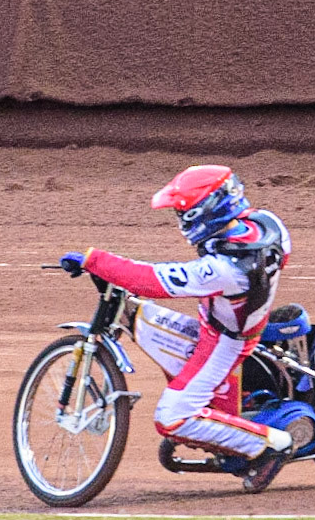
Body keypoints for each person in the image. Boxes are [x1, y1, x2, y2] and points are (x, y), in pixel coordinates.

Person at [59, 164, 295, 493]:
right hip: (220, 323)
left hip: (226, 341)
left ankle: (271, 445)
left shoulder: (225, 269)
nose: (182, 221)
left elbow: (153, 281)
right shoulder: (266, 224)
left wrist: (93, 259)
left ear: (209, 210)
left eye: (185, 213)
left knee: (172, 418)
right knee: (146, 320)